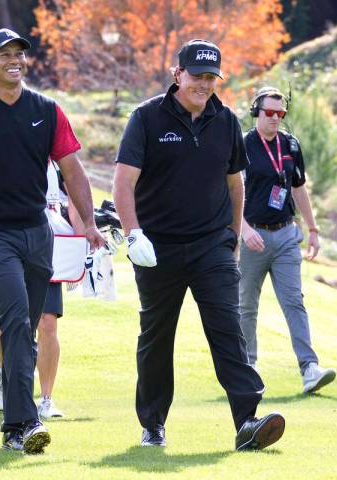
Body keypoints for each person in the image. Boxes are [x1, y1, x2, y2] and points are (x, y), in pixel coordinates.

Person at [0, 28, 104, 454]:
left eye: (19, 54)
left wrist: (88, 222)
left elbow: (73, 170)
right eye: (3, 54)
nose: (14, 59)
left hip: (37, 233)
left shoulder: (46, 110)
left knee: (24, 331)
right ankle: (21, 426)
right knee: (13, 323)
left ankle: (18, 417)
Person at [113, 39, 285, 451]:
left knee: (228, 329)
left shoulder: (224, 120)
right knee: (157, 335)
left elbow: (234, 183)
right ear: (178, 75)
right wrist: (133, 233)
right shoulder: (146, 118)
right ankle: (152, 425)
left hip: (211, 246)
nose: (203, 84)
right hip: (157, 248)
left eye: (211, 78)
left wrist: (233, 237)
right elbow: (123, 182)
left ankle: (247, 420)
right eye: (197, 75)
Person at [239, 87, 336, 393]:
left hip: (284, 234)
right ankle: (248, 368)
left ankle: (309, 368)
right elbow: (226, 192)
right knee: (246, 306)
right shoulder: (241, 145)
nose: (275, 119)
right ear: (257, 112)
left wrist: (313, 229)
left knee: (294, 302)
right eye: (269, 113)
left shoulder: (290, 145)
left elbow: (298, 188)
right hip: (252, 235)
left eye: (281, 114)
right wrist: (242, 229)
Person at [0, 161, 85, 419]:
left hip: (49, 244)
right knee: (7, 330)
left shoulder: (57, 159)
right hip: (8, 243)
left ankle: (45, 399)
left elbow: (76, 191)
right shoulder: (7, 145)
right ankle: (4, 369)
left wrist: (80, 246)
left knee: (48, 323)